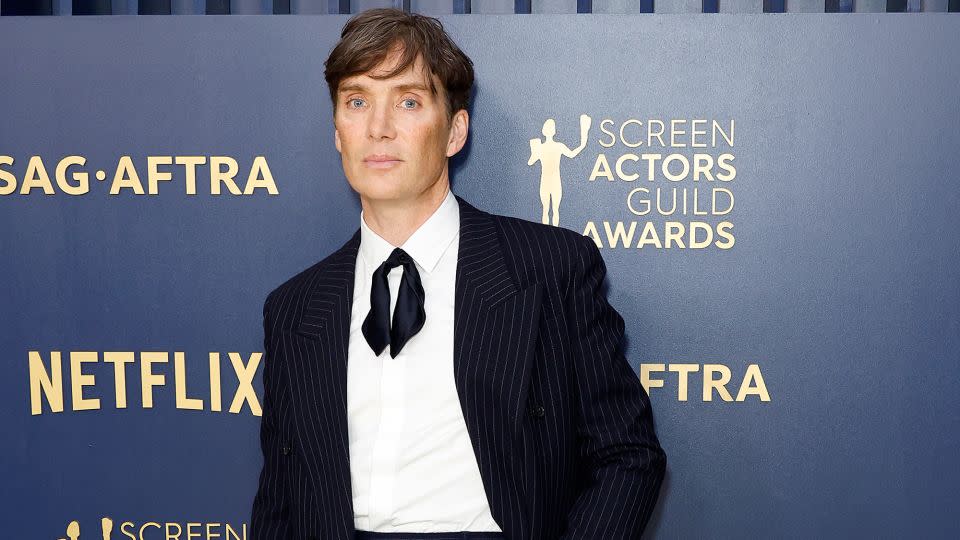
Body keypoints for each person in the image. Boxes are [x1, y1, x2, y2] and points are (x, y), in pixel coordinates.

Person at [251, 8, 666, 540]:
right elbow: (281, 497)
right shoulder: (295, 307)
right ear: (338, 132)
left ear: (454, 131)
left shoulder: (549, 270)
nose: (378, 128)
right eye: (357, 102)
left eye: (407, 101)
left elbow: (626, 455)